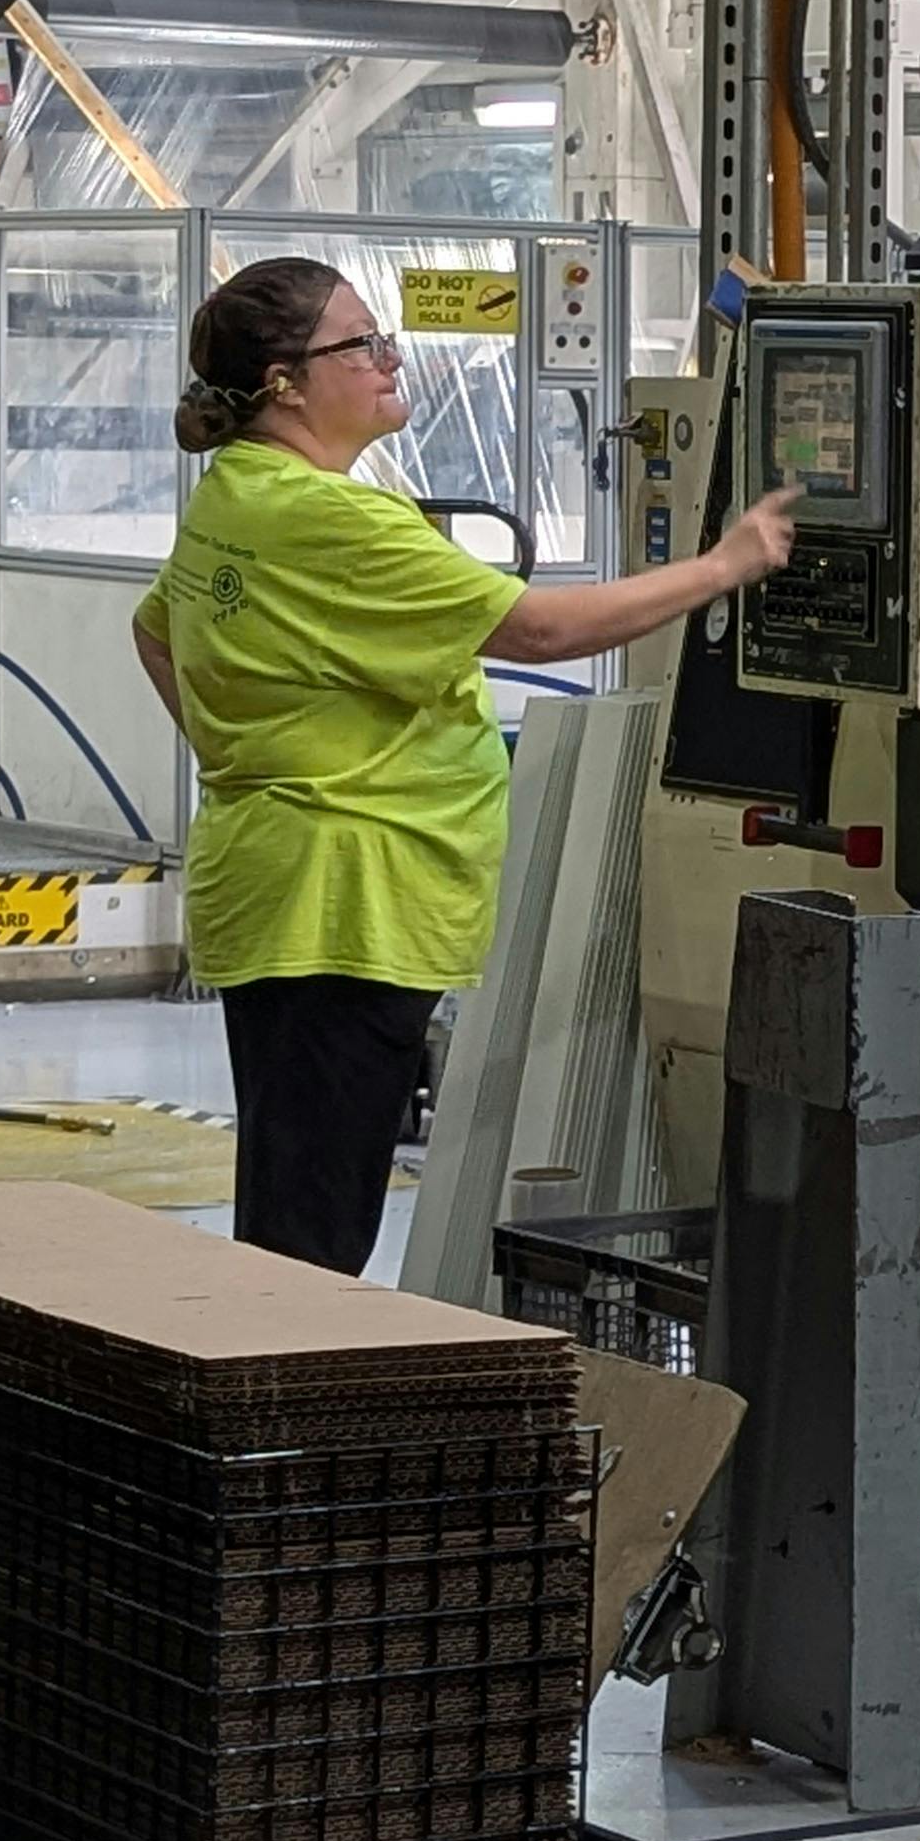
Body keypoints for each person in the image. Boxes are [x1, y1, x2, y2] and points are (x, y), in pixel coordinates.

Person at [134, 257, 799, 1274]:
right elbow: (534, 630)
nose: (388, 357)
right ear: (284, 383)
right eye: (359, 343)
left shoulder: (239, 496)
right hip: (346, 905)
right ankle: (292, 1413)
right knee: (311, 1238)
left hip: (278, 884)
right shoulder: (332, 520)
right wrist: (725, 566)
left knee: (298, 1200)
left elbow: (153, 633)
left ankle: (286, 1400)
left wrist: (252, 753)